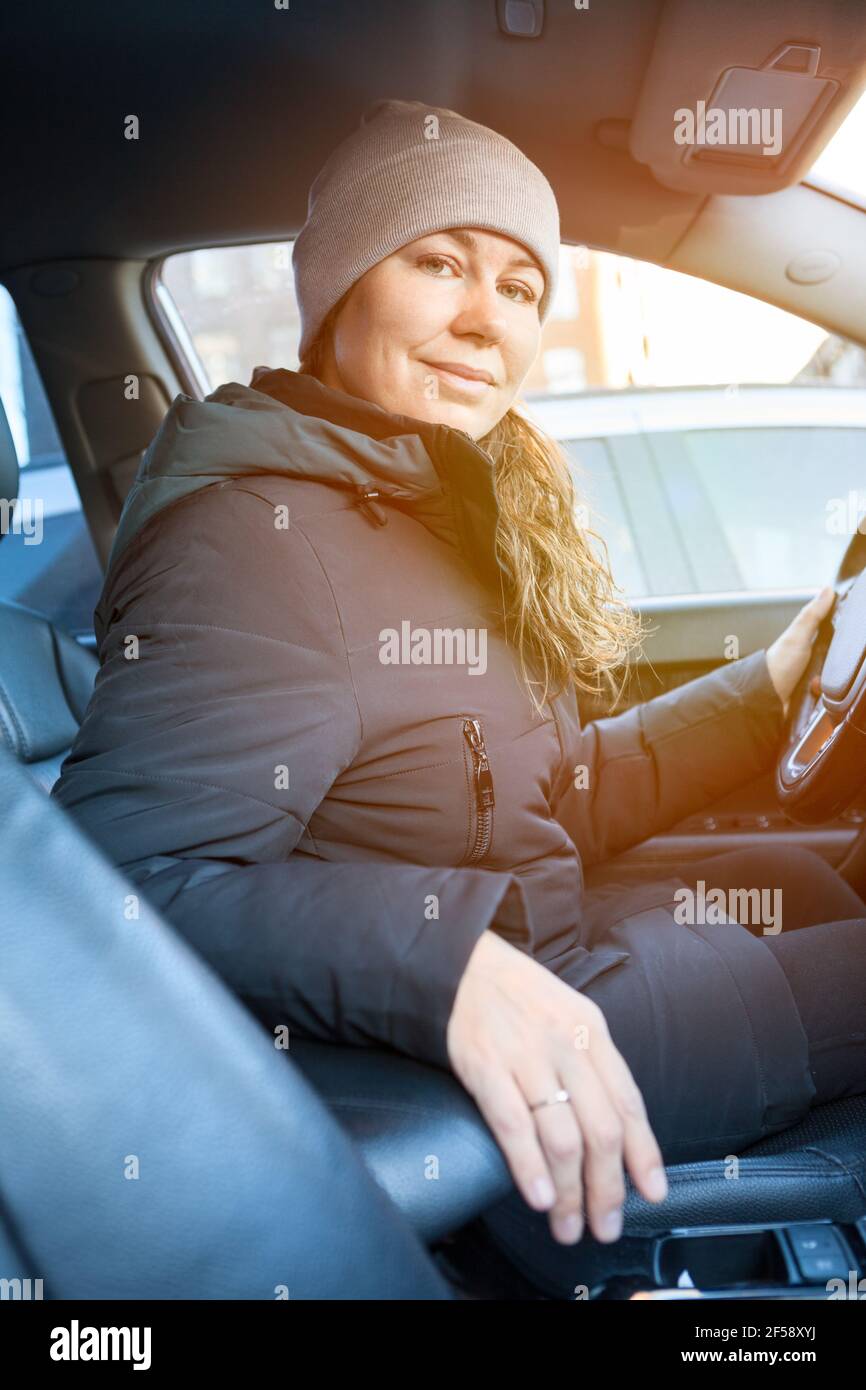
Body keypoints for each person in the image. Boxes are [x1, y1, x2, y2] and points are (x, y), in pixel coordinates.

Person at [52, 98, 866, 1294]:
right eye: (439, 263)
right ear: (342, 290)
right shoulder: (259, 540)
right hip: (519, 1026)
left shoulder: (427, 503)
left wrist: (766, 689)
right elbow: (108, 895)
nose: (486, 319)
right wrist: (443, 967)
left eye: (522, 287)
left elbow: (550, 800)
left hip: (561, 946)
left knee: (799, 878)